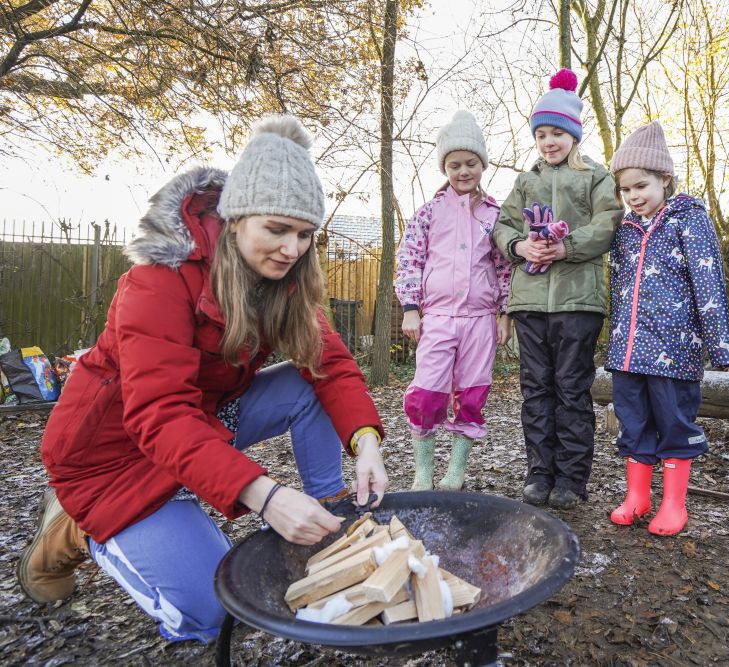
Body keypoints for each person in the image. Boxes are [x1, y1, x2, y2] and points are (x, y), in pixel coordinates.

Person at [17, 116, 390, 642]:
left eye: (305, 234)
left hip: (203, 424)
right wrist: (265, 495)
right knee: (218, 613)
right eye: (277, 230)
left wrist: (367, 443)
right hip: (114, 459)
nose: (292, 249)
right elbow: (159, 414)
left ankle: (329, 522)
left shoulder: (283, 278)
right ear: (235, 219)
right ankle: (74, 532)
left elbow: (328, 364)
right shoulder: (160, 279)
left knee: (310, 384)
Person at [492, 69, 622, 509]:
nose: (549, 142)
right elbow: (503, 225)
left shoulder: (595, 178)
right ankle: (539, 472)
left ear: (573, 134)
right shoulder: (525, 181)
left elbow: (609, 223)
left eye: (557, 133)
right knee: (536, 388)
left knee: (571, 389)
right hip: (529, 302)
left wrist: (565, 247)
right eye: (541, 133)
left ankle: (570, 478)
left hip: (577, 301)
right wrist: (519, 244)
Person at [605, 122, 729, 535]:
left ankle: (674, 505)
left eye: (641, 186)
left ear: (665, 178)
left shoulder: (688, 221)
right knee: (633, 421)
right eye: (626, 190)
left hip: (674, 351)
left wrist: (721, 346)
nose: (633, 197)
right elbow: (618, 290)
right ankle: (637, 496)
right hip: (628, 351)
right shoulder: (625, 232)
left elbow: (710, 283)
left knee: (675, 422)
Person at [394, 110, 513, 491]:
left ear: (482, 165)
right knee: (427, 390)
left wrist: (505, 312)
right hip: (438, 316)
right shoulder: (428, 214)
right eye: (455, 164)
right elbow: (409, 258)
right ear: (445, 167)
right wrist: (411, 308)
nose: (463, 171)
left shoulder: (495, 216)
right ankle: (423, 470)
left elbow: (505, 266)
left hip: (481, 319)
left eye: (471, 163)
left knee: (472, 391)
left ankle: (456, 471)